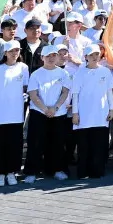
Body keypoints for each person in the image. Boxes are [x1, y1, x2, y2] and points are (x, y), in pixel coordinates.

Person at [25, 42, 72, 182]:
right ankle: (31, 172)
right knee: (36, 143)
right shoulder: (36, 74)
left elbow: (65, 92)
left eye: (54, 55)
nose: (51, 58)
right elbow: (33, 94)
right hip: (39, 112)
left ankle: (56, 170)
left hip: (58, 113)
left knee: (58, 143)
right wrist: (45, 109)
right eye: (48, 56)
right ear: (42, 58)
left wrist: (55, 108)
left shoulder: (63, 73)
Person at [0, 39, 29, 185]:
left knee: (14, 144)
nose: (14, 53)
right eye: (11, 51)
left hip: (16, 113)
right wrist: (0, 103)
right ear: (5, 53)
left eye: (17, 50)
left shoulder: (23, 67)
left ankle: (11, 172)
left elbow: (25, 87)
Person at [70, 46, 113, 179]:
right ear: (86, 57)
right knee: (84, 145)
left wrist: (111, 109)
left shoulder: (105, 71)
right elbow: (75, 94)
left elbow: (109, 91)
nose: (95, 57)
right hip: (84, 115)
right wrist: (75, 113)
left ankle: (97, 171)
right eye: (91, 55)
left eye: (96, 54)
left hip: (101, 114)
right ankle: (83, 171)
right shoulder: (80, 73)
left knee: (99, 144)